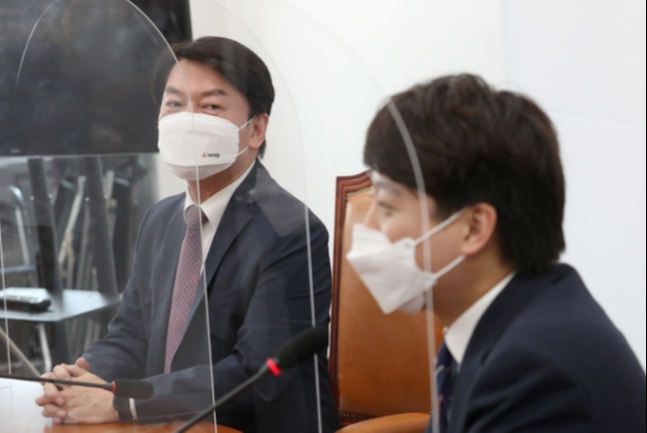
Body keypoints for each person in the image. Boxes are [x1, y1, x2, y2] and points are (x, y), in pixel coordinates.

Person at [35, 36, 338, 433]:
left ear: (256, 129)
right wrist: (84, 377)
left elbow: (258, 374)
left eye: (210, 106)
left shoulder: (291, 232)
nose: (187, 120)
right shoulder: (160, 219)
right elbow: (131, 335)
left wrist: (125, 401)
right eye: (175, 104)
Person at [346, 74, 646, 433]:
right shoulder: (498, 324)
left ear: (474, 228)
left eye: (386, 206)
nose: (369, 226)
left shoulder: (533, 370)